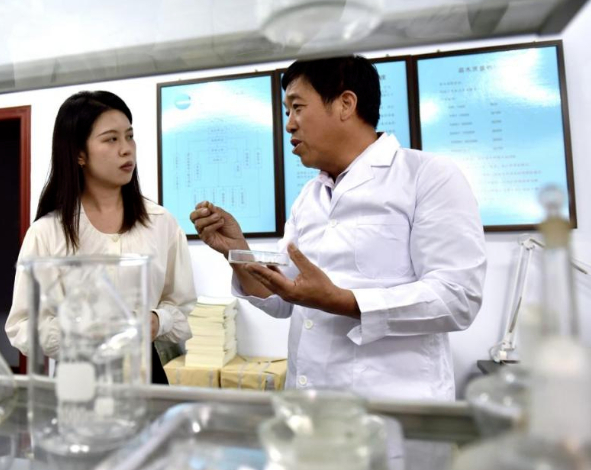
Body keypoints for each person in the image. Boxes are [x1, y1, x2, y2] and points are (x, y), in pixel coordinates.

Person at [190, 56, 486, 401]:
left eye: (297, 107)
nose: (289, 125)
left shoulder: (427, 176)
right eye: (287, 112)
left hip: (392, 412)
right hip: (309, 406)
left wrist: (344, 301)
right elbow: (285, 297)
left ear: (346, 104)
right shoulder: (309, 195)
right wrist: (238, 251)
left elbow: (457, 297)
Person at [6, 90, 196, 384]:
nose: (127, 149)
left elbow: (182, 307)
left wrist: (157, 321)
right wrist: (84, 332)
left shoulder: (161, 223)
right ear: (79, 153)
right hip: (78, 381)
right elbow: (22, 326)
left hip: (145, 376)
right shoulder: (47, 233)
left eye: (129, 136)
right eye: (111, 139)